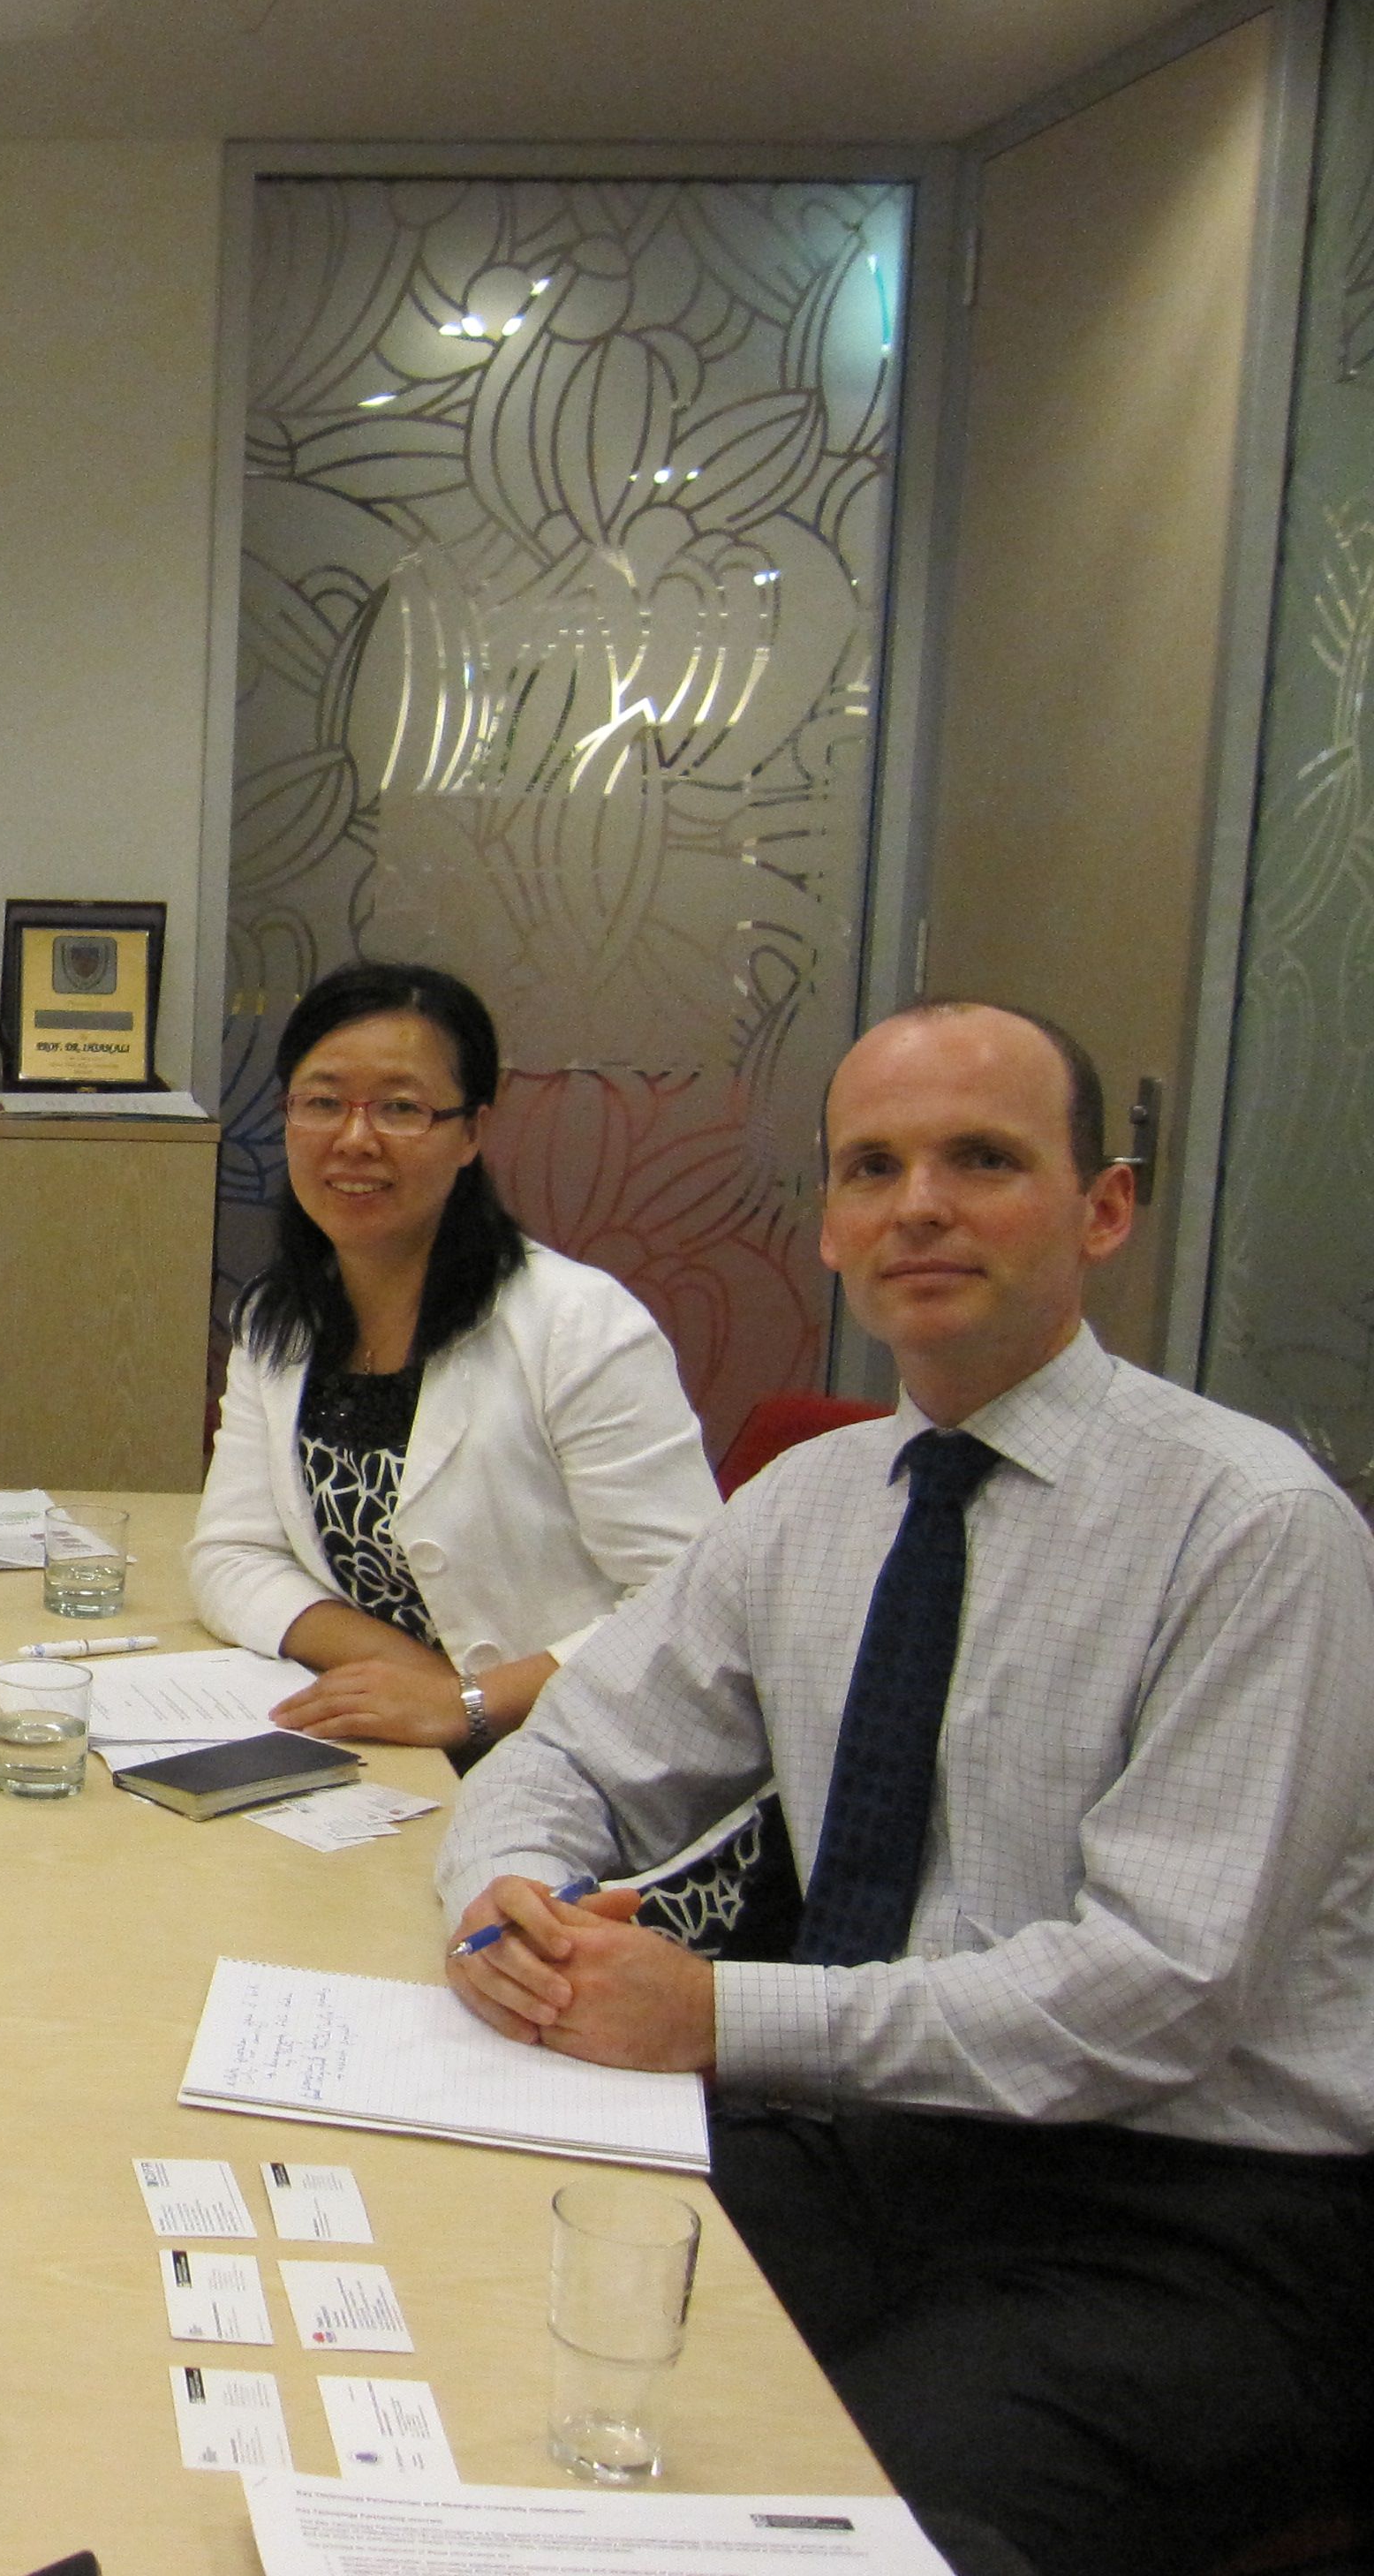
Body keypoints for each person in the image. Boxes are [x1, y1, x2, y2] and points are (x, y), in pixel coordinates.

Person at [436, 1001, 1374, 2576]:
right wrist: (507, 1896)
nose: (919, 1207)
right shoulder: (807, 1505)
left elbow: (1161, 1991)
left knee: (820, 2530)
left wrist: (716, 2016)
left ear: (1105, 1208)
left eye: (983, 1160)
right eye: (872, 1168)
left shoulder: (1255, 1531)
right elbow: (573, 1748)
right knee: (483, 2327)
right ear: (829, 1226)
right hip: (885, 2142)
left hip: (1187, 2209)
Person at [189, 961, 715, 1756]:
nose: (354, 1140)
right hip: (401, 1748)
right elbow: (232, 1556)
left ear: (471, 1132)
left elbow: (687, 1605)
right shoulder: (278, 1318)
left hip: (591, 1758)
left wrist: (469, 1703)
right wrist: (412, 1679)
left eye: (400, 1109)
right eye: (323, 1103)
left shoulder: (578, 1324)